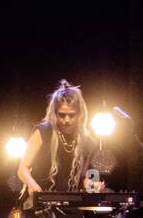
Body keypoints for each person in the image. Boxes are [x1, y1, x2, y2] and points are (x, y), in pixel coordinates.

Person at [17, 79, 101, 210]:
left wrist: (92, 185)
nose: (67, 120)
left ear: (79, 114)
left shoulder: (87, 141)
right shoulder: (43, 132)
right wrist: (32, 185)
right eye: (62, 115)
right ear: (55, 113)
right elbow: (22, 168)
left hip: (70, 207)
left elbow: (83, 177)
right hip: (39, 206)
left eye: (71, 115)